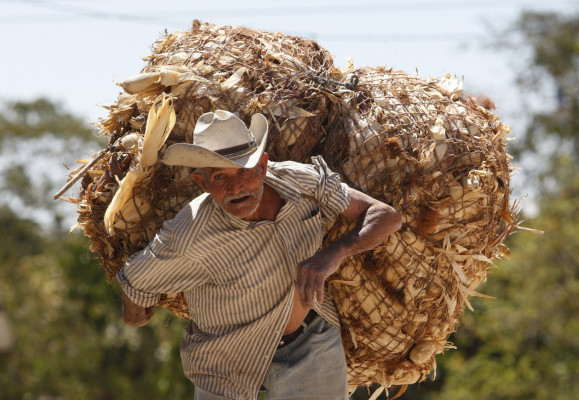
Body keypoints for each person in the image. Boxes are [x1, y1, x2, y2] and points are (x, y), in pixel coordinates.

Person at [117, 110, 403, 400]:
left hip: (309, 345)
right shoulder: (188, 233)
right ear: (202, 184)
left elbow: (385, 216)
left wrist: (334, 253)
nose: (236, 187)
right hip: (224, 365)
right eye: (219, 176)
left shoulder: (301, 182)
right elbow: (134, 281)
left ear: (263, 166)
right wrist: (140, 313)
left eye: (244, 170)